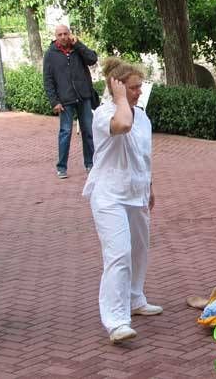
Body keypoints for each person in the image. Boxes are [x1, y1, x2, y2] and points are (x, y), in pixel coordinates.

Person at [82, 57, 162, 345]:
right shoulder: (105, 115)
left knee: (140, 249)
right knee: (118, 255)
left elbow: (144, 156)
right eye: (132, 88)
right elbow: (123, 125)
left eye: (140, 87)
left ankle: (135, 298)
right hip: (109, 195)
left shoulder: (142, 116)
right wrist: (118, 99)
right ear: (116, 88)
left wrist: (149, 186)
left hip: (136, 192)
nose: (139, 92)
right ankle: (116, 321)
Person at [43, 24, 98, 179]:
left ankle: (90, 163)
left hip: (83, 96)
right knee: (65, 132)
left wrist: (78, 44)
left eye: (65, 34)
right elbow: (48, 80)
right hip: (65, 100)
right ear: (55, 36)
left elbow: (92, 59)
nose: (63, 37)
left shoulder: (77, 49)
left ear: (70, 34)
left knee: (88, 131)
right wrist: (54, 101)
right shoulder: (50, 54)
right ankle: (61, 167)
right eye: (60, 34)